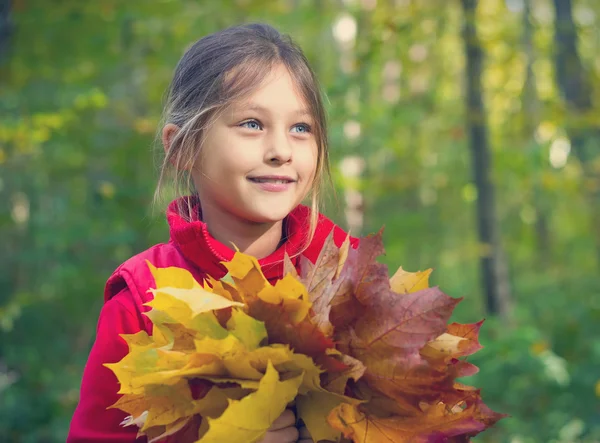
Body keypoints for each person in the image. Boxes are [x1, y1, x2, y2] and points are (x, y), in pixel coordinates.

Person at [67, 23, 357, 443]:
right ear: (182, 147)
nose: (281, 149)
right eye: (252, 124)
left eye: (301, 128)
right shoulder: (144, 298)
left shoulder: (346, 276)